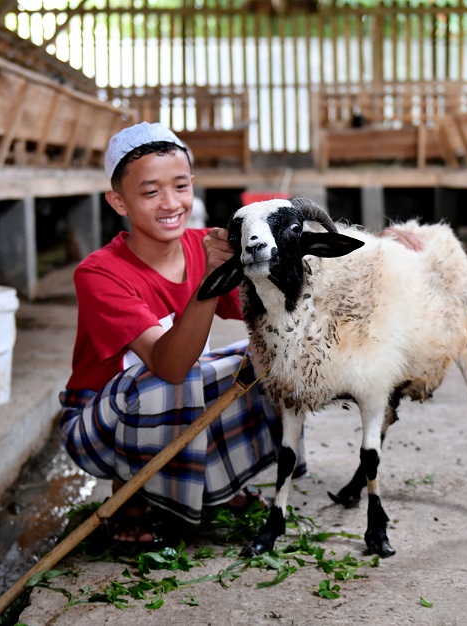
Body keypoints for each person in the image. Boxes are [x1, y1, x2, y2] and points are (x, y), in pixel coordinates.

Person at [58, 122, 305, 545]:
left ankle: (220, 484)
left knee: (276, 353)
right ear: (118, 201)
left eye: (180, 186)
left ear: (193, 185)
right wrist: (210, 279)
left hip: (174, 396)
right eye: (151, 192)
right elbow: (170, 366)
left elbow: (267, 304)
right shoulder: (98, 273)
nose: (171, 204)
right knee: (176, 378)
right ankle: (130, 493)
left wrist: (370, 254)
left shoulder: (203, 244)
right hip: (101, 421)